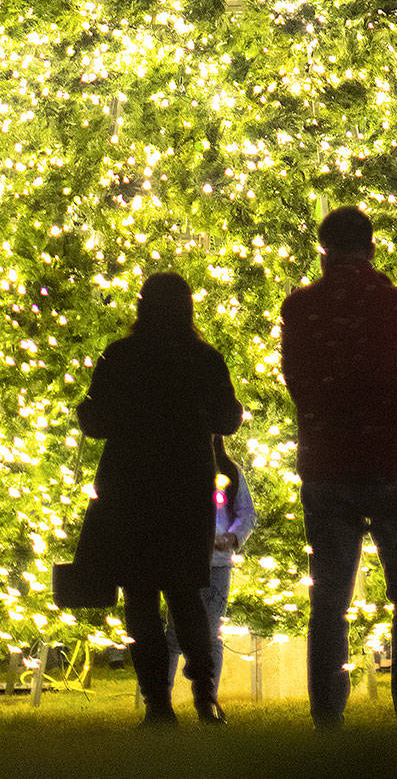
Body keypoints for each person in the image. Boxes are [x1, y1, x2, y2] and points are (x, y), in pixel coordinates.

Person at [280, 205, 397, 730]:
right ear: (372, 246)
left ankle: (328, 716)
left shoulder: (301, 309)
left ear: (324, 249)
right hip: (393, 463)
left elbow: (296, 378)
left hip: (327, 464)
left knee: (329, 596)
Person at [76, 272, 243, 727]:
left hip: (129, 485)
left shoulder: (122, 355)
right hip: (186, 485)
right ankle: (206, 697)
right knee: (187, 592)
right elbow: (229, 419)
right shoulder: (203, 358)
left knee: (140, 595)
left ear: (142, 306)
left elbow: (95, 420)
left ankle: (156, 704)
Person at [165, 436, 257, 698]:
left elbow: (246, 512)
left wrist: (231, 537)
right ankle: (164, 697)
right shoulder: (179, 468)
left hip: (217, 563)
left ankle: (208, 697)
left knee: (212, 631)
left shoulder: (229, 471)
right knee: (175, 631)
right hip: (183, 561)